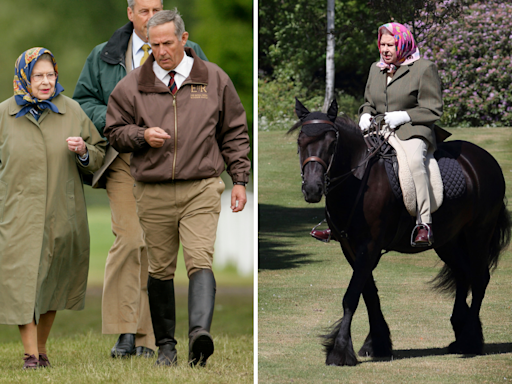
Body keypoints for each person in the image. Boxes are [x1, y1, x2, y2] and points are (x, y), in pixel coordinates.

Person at [103, 9, 250, 367]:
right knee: (161, 269)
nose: (161, 51)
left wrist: (240, 180)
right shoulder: (132, 84)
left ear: (184, 39)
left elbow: (233, 130)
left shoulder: (214, 79)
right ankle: (166, 347)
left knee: (200, 259)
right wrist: (141, 135)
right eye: (154, 45)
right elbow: (114, 131)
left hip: (201, 187)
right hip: (151, 191)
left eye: (168, 43)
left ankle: (199, 335)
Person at [72, 0, 208, 359]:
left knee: (155, 248)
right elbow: (83, 101)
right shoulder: (103, 55)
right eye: (144, 11)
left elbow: (207, 95)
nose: (151, 17)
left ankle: (149, 338)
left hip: (171, 161)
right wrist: (125, 121)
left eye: (157, 9)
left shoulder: (191, 51)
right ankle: (125, 331)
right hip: (123, 158)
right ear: (130, 13)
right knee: (130, 239)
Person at [0, 48, 106, 369]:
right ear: (24, 78)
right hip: (16, 216)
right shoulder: (3, 114)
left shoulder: (72, 110)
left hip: (62, 214)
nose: (46, 82)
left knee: (52, 282)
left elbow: (99, 154)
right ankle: (30, 354)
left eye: (50, 75)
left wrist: (84, 151)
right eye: (38, 76)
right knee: (21, 283)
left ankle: (42, 348)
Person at [311, 22, 443, 246]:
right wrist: (365, 114)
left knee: (413, 162)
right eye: (382, 44)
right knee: (348, 160)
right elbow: (368, 103)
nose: (385, 49)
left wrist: (404, 116)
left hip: (412, 130)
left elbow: (433, 108)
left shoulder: (424, 68)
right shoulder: (376, 68)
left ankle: (424, 223)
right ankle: (334, 223)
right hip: (379, 130)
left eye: (390, 44)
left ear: (402, 43)